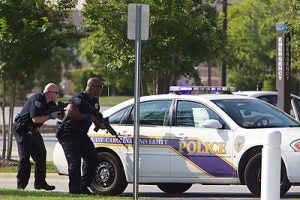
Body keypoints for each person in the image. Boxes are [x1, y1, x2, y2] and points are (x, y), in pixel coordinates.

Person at [57, 77, 104, 194]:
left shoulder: (95, 101)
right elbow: (70, 112)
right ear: (91, 86)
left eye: (101, 87)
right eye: (99, 87)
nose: (100, 90)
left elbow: (95, 116)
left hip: (81, 135)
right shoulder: (79, 98)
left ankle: (83, 186)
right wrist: (88, 117)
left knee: (93, 158)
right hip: (68, 134)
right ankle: (74, 190)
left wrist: (101, 124)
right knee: (75, 162)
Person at [13, 83, 61, 190]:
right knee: (25, 157)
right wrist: (50, 116)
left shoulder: (51, 103)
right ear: (49, 92)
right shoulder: (37, 99)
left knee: (41, 155)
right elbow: (35, 119)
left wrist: (66, 112)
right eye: (56, 92)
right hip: (22, 130)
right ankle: (21, 187)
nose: (58, 95)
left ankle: (40, 183)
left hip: (33, 131)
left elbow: (60, 115)